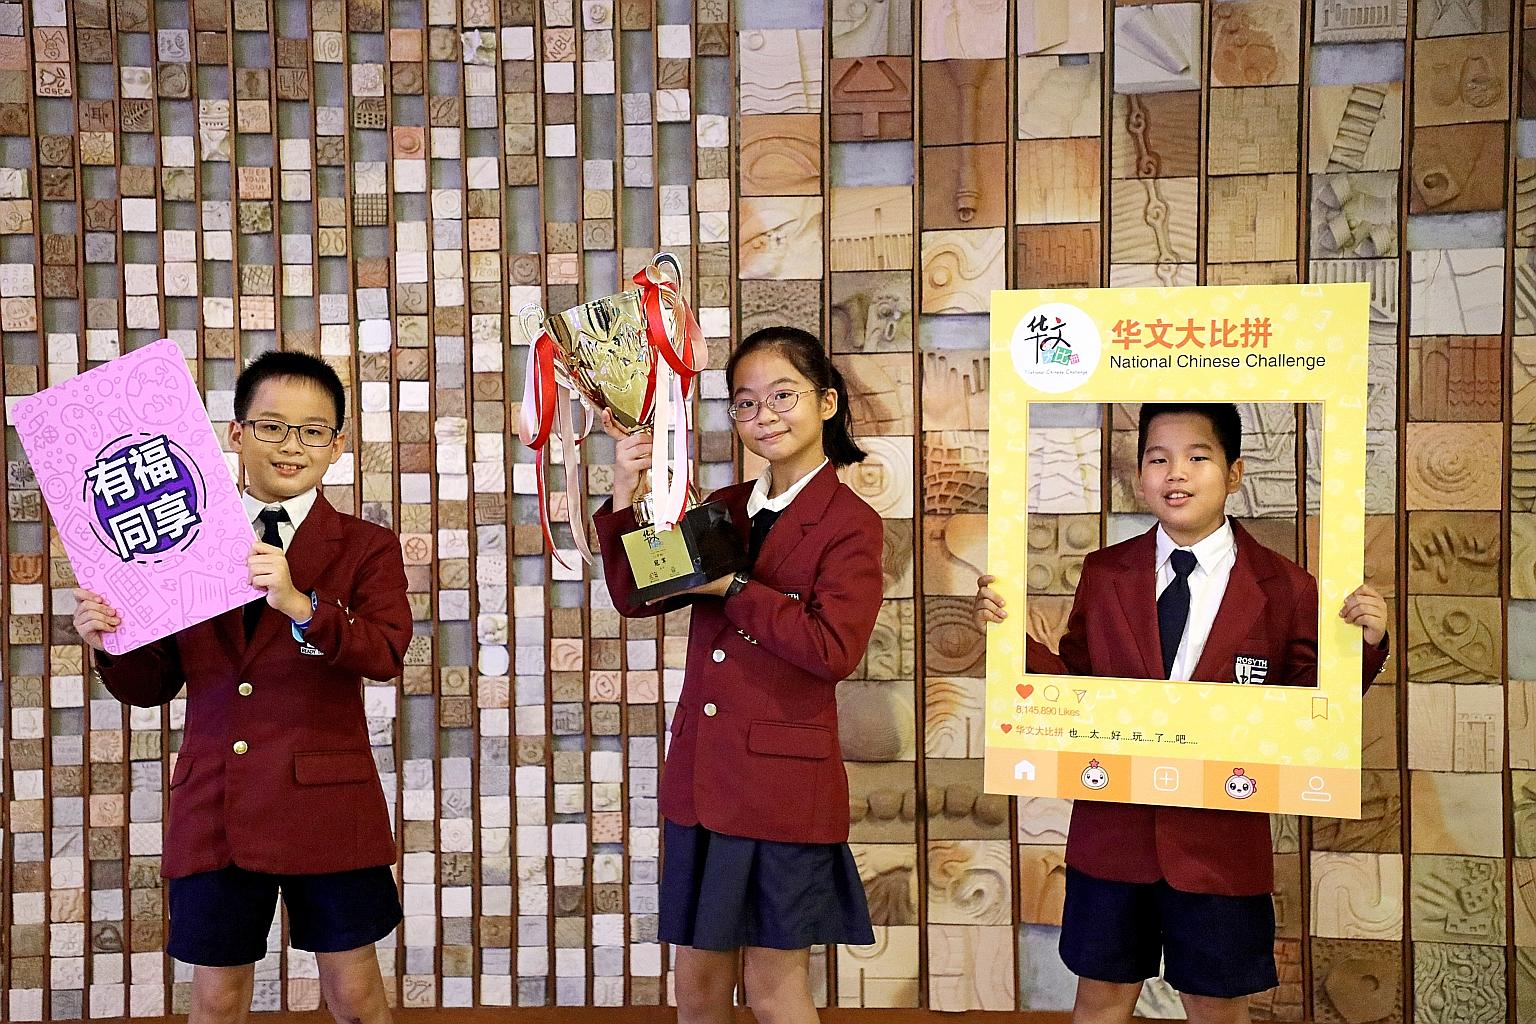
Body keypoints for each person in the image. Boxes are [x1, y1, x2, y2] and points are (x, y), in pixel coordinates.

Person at [975, 402, 1388, 1024]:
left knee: (1216, 1003)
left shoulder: (1287, 588)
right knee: (1101, 996)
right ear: (1139, 476)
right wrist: (1011, 645)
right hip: (1113, 830)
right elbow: (1077, 688)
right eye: (1158, 458)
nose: (1177, 473)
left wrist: (1365, 644)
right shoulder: (1105, 572)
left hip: (1221, 838)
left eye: (1198, 457)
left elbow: (1313, 704)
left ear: (1235, 473)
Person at [73, 352, 410, 1024]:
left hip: (328, 802)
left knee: (354, 990)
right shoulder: (176, 539)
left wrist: (301, 603)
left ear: (337, 445)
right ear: (235, 434)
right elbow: (152, 684)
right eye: (272, 427)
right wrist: (109, 639)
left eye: (313, 431)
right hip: (216, 803)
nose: (292, 446)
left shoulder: (367, 545)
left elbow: (385, 651)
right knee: (217, 997)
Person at [592, 326, 882, 1024]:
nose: (764, 415)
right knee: (694, 986)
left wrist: (731, 586)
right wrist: (625, 488)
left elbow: (831, 648)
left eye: (783, 395)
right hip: (700, 781)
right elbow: (638, 595)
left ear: (829, 403)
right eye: (745, 403)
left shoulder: (852, 523)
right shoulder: (720, 506)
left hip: (783, 793)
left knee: (775, 988)